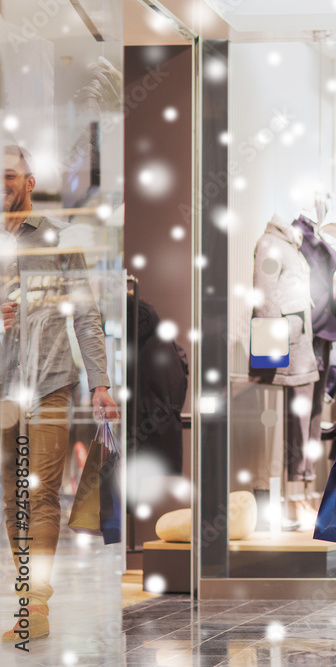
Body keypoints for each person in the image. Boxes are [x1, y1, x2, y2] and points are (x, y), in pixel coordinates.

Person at [1, 145, 119, 641]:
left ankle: (35, 605)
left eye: (10, 176)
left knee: (41, 492)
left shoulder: (52, 238)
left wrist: (100, 383)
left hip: (50, 383)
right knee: (12, 498)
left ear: (30, 183)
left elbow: (86, 315)